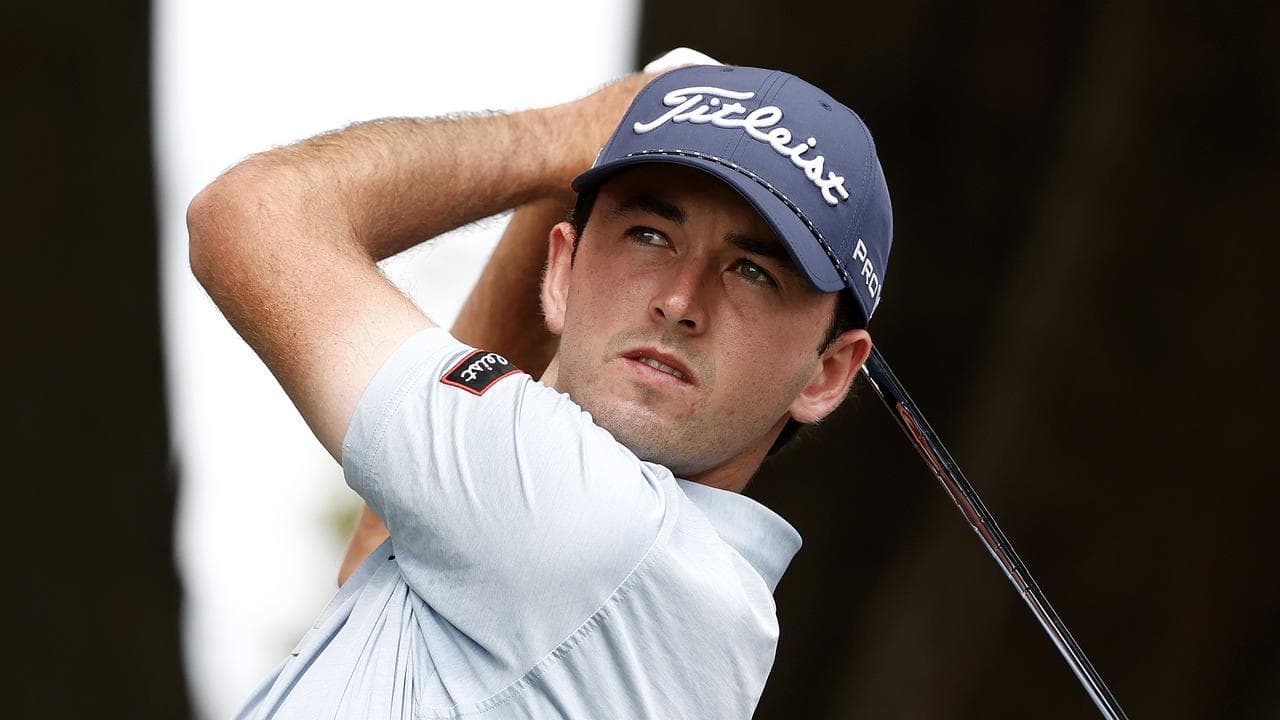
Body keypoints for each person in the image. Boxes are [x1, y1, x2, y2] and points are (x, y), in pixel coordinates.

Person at [188, 54, 892, 719]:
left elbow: (250, 214)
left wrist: (569, 135)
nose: (680, 301)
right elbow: (376, 544)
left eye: (754, 272)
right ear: (560, 273)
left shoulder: (598, 533)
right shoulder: (676, 586)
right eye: (649, 235)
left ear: (828, 372)